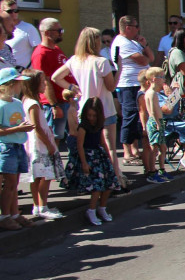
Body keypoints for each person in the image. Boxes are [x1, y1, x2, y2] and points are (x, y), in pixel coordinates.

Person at [51, 28, 121, 182]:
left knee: (87, 146)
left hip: (85, 109)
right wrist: (119, 69)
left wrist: (71, 87)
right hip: (104, 108)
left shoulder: (75, 59)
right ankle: (115, 178)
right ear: (95, 42)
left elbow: (55, 77)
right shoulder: (101, 61)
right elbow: (111, 87)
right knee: (109, 146)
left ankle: (90, 177)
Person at [69, 97, 121, 226]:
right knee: (97, 186)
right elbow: (80, 145)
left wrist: (109, 157)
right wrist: (84, 163)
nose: (91, 118)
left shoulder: (99, 126)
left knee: (109, 183)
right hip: (89, 156)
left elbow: (102, 141)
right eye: (89, 115)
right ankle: (91, 210)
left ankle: (102, 208)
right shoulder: (83, 127)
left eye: (94, 115)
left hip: (99, 155)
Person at [20, 70, 64, 220]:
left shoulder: (28, 100)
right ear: (33, 84)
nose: (45, 84)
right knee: (44, 177)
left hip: (36, 143)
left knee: (37, 177)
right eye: (42, 82)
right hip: (39, 145)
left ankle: (38, 206)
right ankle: (42, 206)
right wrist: (49, 144)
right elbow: (36, 127)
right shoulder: (33, 103)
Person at [111, 15, 153, 166]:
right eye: (136, 26)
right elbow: (143, 60)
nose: (138, 29)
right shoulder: (122, 42)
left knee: (137, 117)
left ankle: (135, 149)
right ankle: (127, 152)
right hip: (128, 84)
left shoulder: (134, 42)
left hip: (138, 84)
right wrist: (145, 57)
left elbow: (151, 57)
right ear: (127, 28)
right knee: (129, 116)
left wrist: (145, 45)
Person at [0, 67, 34, 230]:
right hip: (6, 147)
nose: (20, 86)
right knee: (10, 183)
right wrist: (18, 129)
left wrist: (23, 127)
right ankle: (5, 216)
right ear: (9, 85)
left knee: (15, 183)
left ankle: (14, 214)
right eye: (18, 83)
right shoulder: (1, 105)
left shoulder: (18, 102)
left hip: (18, 145)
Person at [30, 18, 72, 143]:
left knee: (67, 136)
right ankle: (52, 162)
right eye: (58, 30)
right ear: (47, 33)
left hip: (65, 100)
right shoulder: (40, 54)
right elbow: (45, 81)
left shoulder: (56, 49)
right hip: (55, 103)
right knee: (54, 138)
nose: (61, 32)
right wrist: (54, 105)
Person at [140, 68, 170, 181]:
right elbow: (152, 111)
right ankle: (152, 172)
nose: (164, 80)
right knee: (154, 149)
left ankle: (162, 169)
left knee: (163, 147)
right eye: (162, 77)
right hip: (155, 122)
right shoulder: (151, 93)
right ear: (155, 79)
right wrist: (157, 123)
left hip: (159, 122)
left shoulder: (156, 93)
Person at [1, 0, 40, 69]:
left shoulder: (28, 28)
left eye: (16, 11)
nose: (13, 14)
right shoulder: (2, 30)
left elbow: (37, 51)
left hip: (24, 72)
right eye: (10, 11)